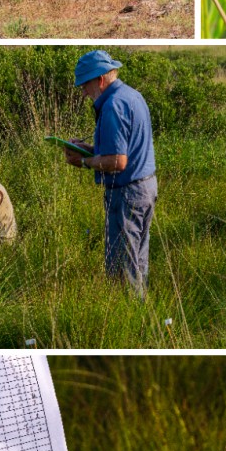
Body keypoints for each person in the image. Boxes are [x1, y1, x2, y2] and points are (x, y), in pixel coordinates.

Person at [64, 50, 157, 296]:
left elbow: (118, 161)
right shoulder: (131, 96)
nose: (83, 92)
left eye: (85, 85)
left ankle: (133, 323)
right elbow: (123, 150)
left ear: (100, 80)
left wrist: (84, 162)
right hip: (145, 188)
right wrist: (87, 150)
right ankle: (142, 316)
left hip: (127, 193)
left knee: (122, 268)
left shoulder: (113, 106)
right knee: (138, 261)